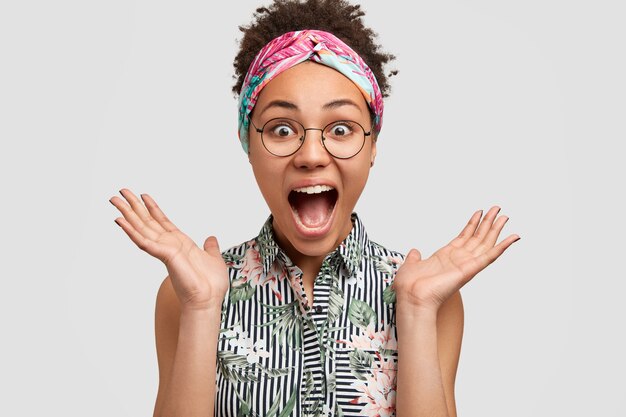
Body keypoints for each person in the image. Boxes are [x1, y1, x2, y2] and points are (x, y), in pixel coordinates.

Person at [109, 1, 520, 416]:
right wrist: (200, 308)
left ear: (373, 146)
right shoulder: (188, 294)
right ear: (247, 144)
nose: (311, 154)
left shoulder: (430, 296)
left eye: (340, 129)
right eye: (282, 129)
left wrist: (415, 309)